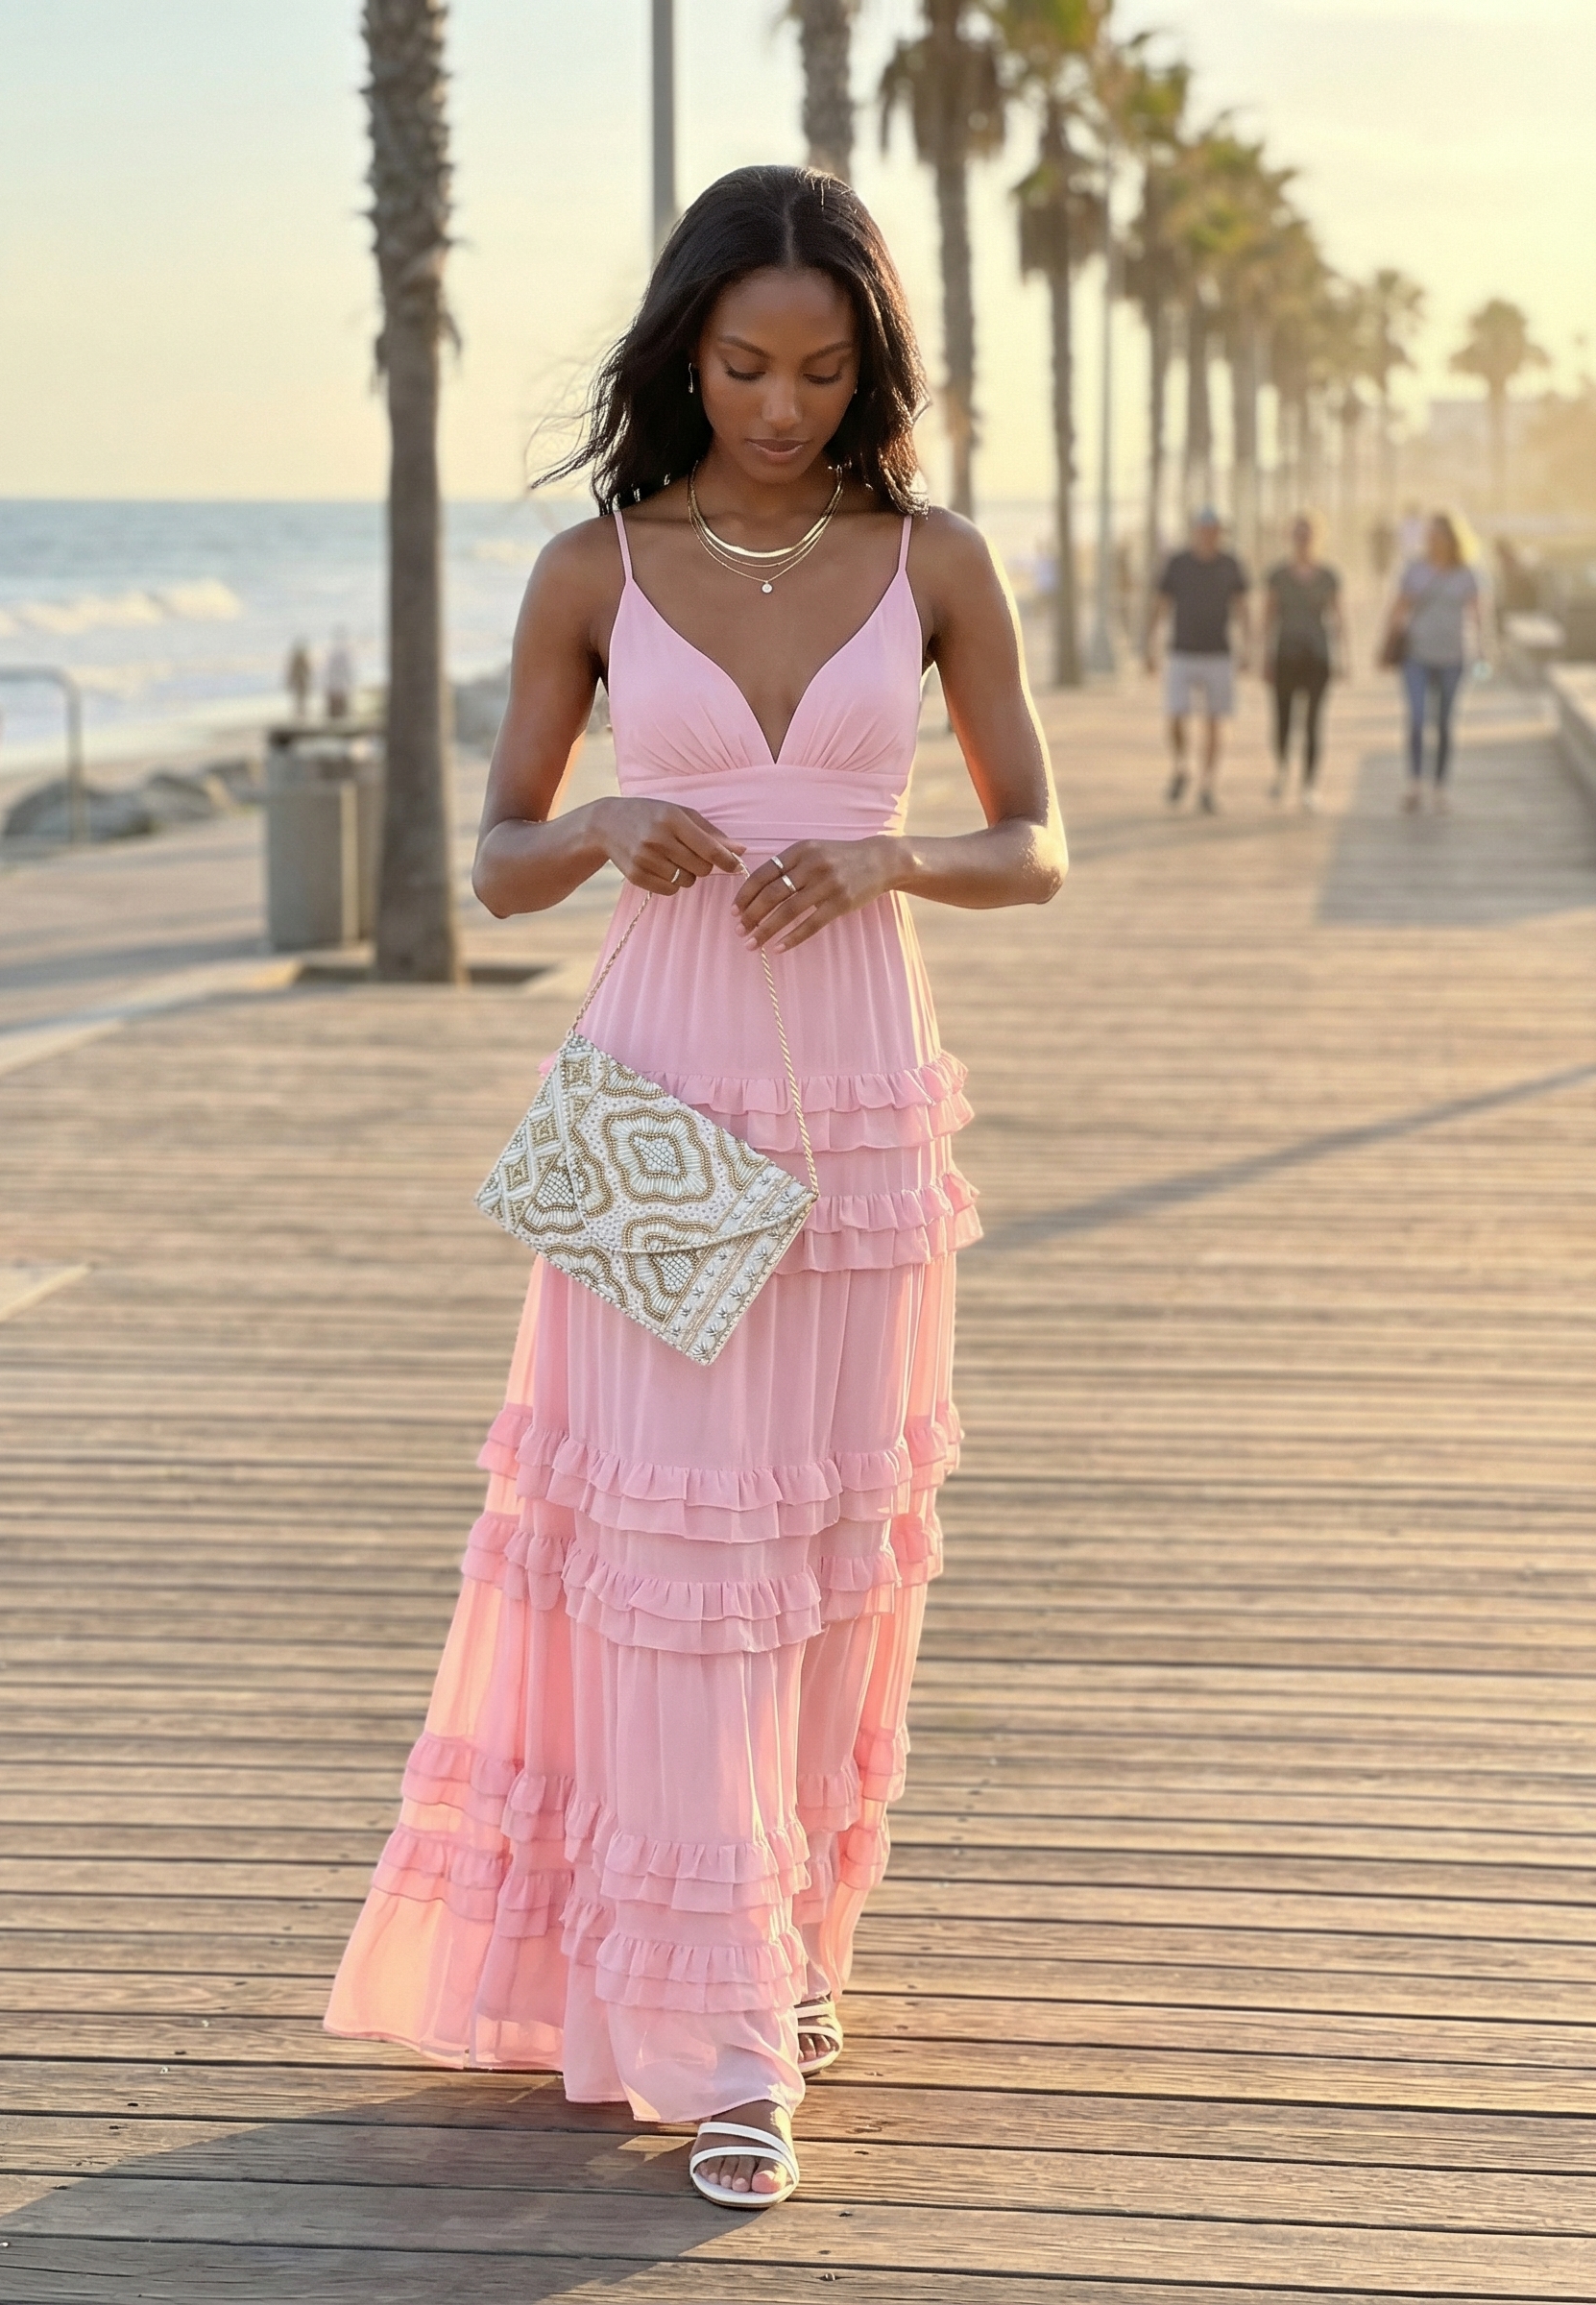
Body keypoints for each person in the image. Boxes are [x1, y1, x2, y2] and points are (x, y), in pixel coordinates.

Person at [324, 164, 1065, 2211]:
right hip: (649, 1081)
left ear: (869, 370)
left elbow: (1036, 841)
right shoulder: (592, 569)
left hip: (850, 1101)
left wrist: (890, 855)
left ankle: (786, 1941)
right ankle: (717, 2039)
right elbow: (495, 853)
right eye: (743, 363)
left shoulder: (932, 564)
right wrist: (616, 813)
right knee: (664, 1574)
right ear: (682, 352)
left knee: (818, 1552)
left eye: (822, 370)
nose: (778, 405)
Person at [1146, 509, 1251, 813]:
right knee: (1176, 714)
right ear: (1195, 531)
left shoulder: (1231, 564)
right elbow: (1161, 605)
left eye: (1213, 529)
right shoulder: (1178, 564)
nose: (1208, 534)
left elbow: (1242, 607)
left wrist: (1248, 648)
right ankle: (1181, 766)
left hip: (1219, 652)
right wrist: (1149, 646)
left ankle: (1208, 784)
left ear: (1220, 532)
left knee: (1215, 721)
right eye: (1203, 528)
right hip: (1182, 652)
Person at [1381, 511, 1485, 812]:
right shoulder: (1415, 569)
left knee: (1444, 723)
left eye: (1440, 534)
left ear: (1453, 539)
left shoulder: (1468, 572)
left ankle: (1440, 787)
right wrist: (1387, 644)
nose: (1434, 540)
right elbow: (1399, 608)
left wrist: (1484, 650)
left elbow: (1478, 614)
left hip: (1454, 655)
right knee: (1416, 718)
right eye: (1431, 534)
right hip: (1416, 654)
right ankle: (1415, 784)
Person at [1262, 516, 1345, 812]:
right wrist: (1264, 656)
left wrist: (1342, 656)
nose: (1302, 540)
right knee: (1283, 719)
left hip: (1317, 654)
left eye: (1307, 535)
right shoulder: (1278, 575)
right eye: (1297, 535)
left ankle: (1309, 784)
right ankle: (1282, 769)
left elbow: (1337, 617)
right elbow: (1268, 616)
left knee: (1313, 722)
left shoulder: (1328, 576)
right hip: (1285, 653)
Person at [324, 629, 355, 720]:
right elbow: (346, 671)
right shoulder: (340, 653)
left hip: (336, 687)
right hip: (337, 687)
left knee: (337, 713)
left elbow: (346, 671)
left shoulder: (335, 653)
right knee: (337, 713)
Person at [283, 639, 313, 720]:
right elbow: (295, 672)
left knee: (301, 699)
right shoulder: (298, 660)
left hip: (301, 681)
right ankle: (300, 714)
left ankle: (301, 714)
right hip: (300, 681)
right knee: (300, 699)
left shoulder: (299, 660)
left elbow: (306, 671)